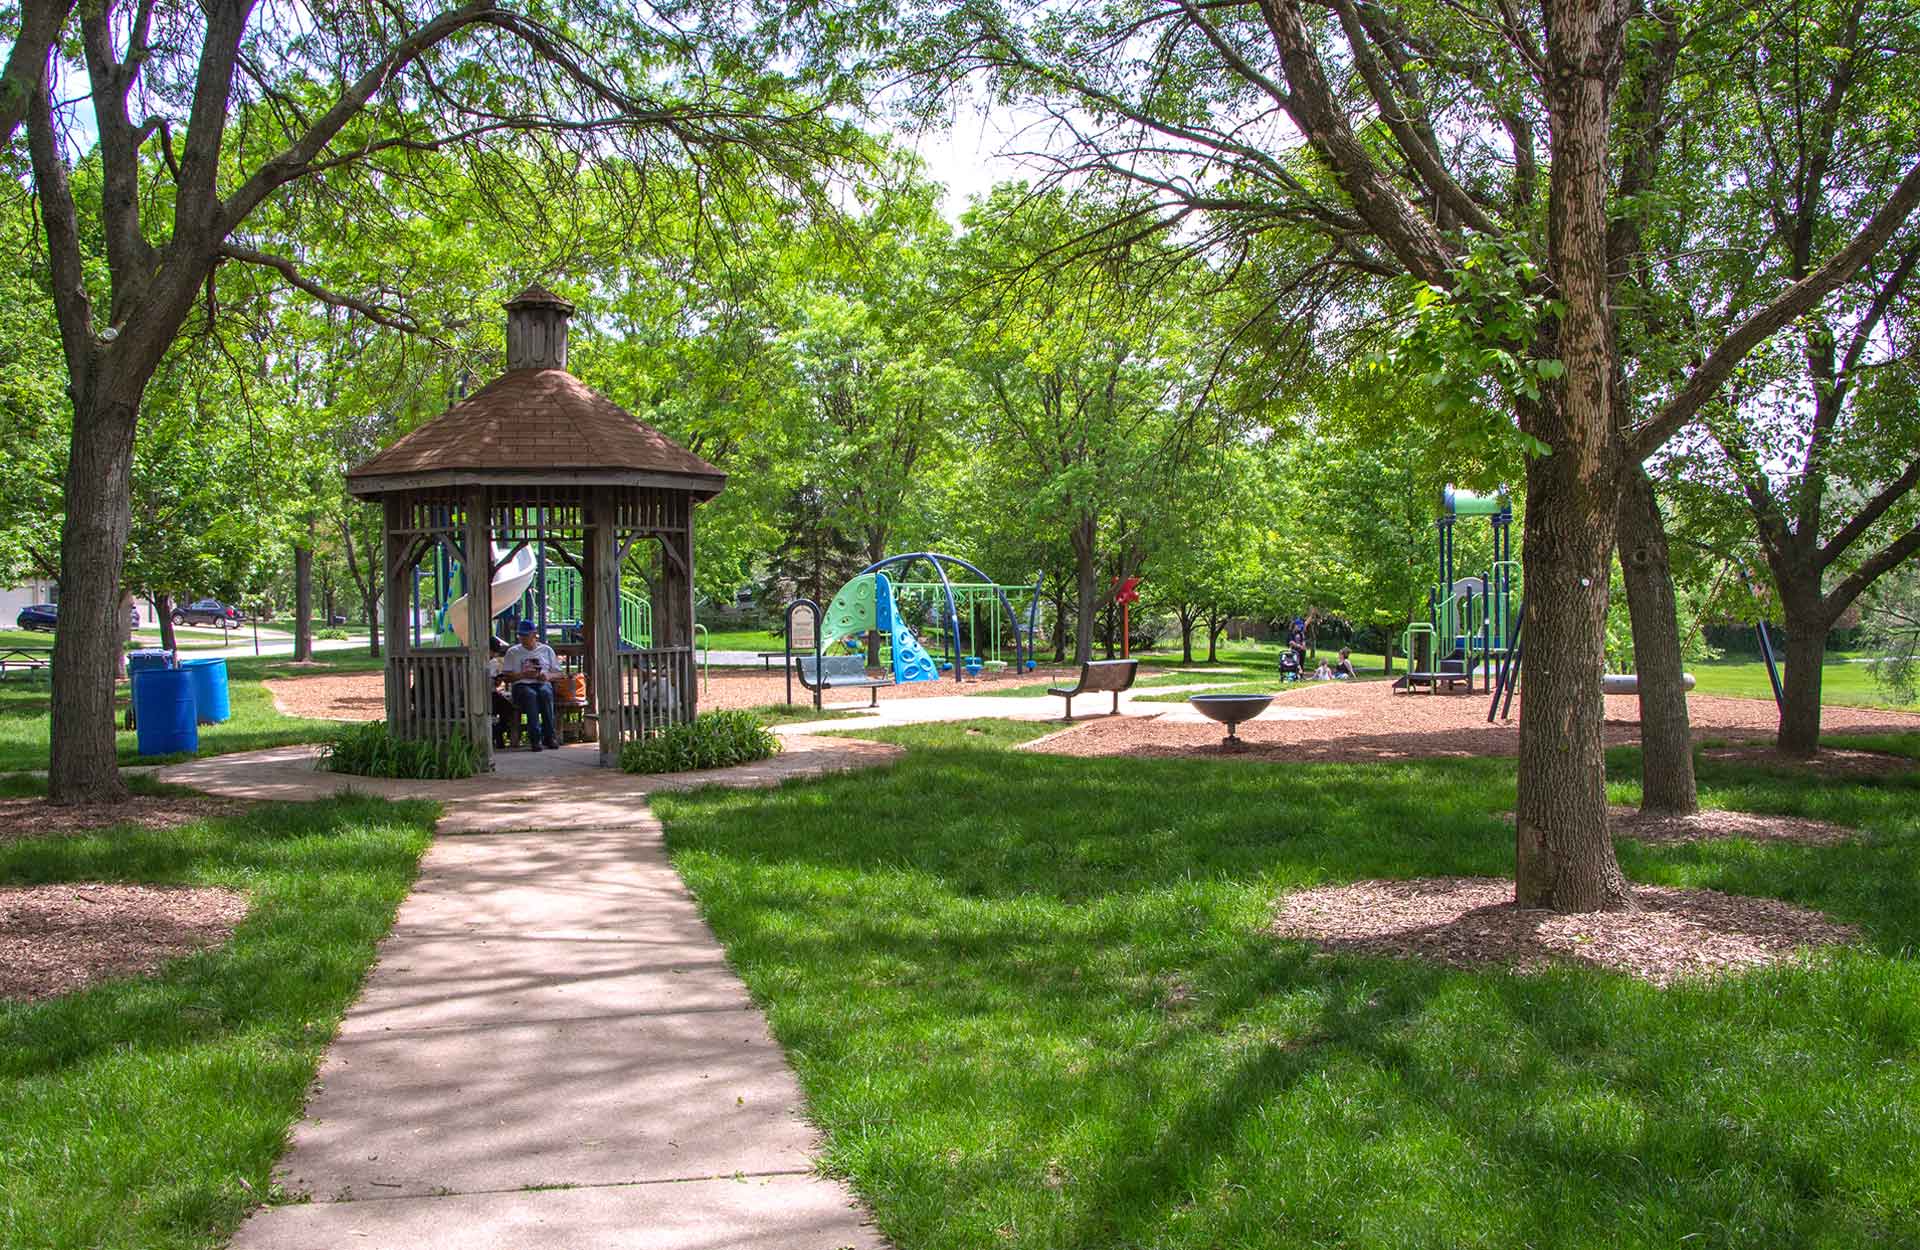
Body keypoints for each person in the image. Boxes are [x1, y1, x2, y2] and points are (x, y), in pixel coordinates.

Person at [502, 621, 561, 750]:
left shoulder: (546, 650)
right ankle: (535, 739)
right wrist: (523, 675)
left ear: (534, 635)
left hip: (542, 683)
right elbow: (506, 677)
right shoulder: (513, 652)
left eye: (526, 635)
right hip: (521, 686)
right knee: (530, 695)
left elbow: (558, 673)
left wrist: (547, 676)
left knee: (546, 693)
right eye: (520, 635)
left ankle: (550, 737)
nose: (522, 638)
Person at [487, 637, 519, 748]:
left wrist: (498, 680)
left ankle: (499, 731)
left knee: (509, 708)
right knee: (498, 707)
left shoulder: (494, 662)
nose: (494, 655)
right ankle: (497, 734)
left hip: (492, 692)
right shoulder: (476, 661)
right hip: (483, 695)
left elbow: (496, 683)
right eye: (493, 652)